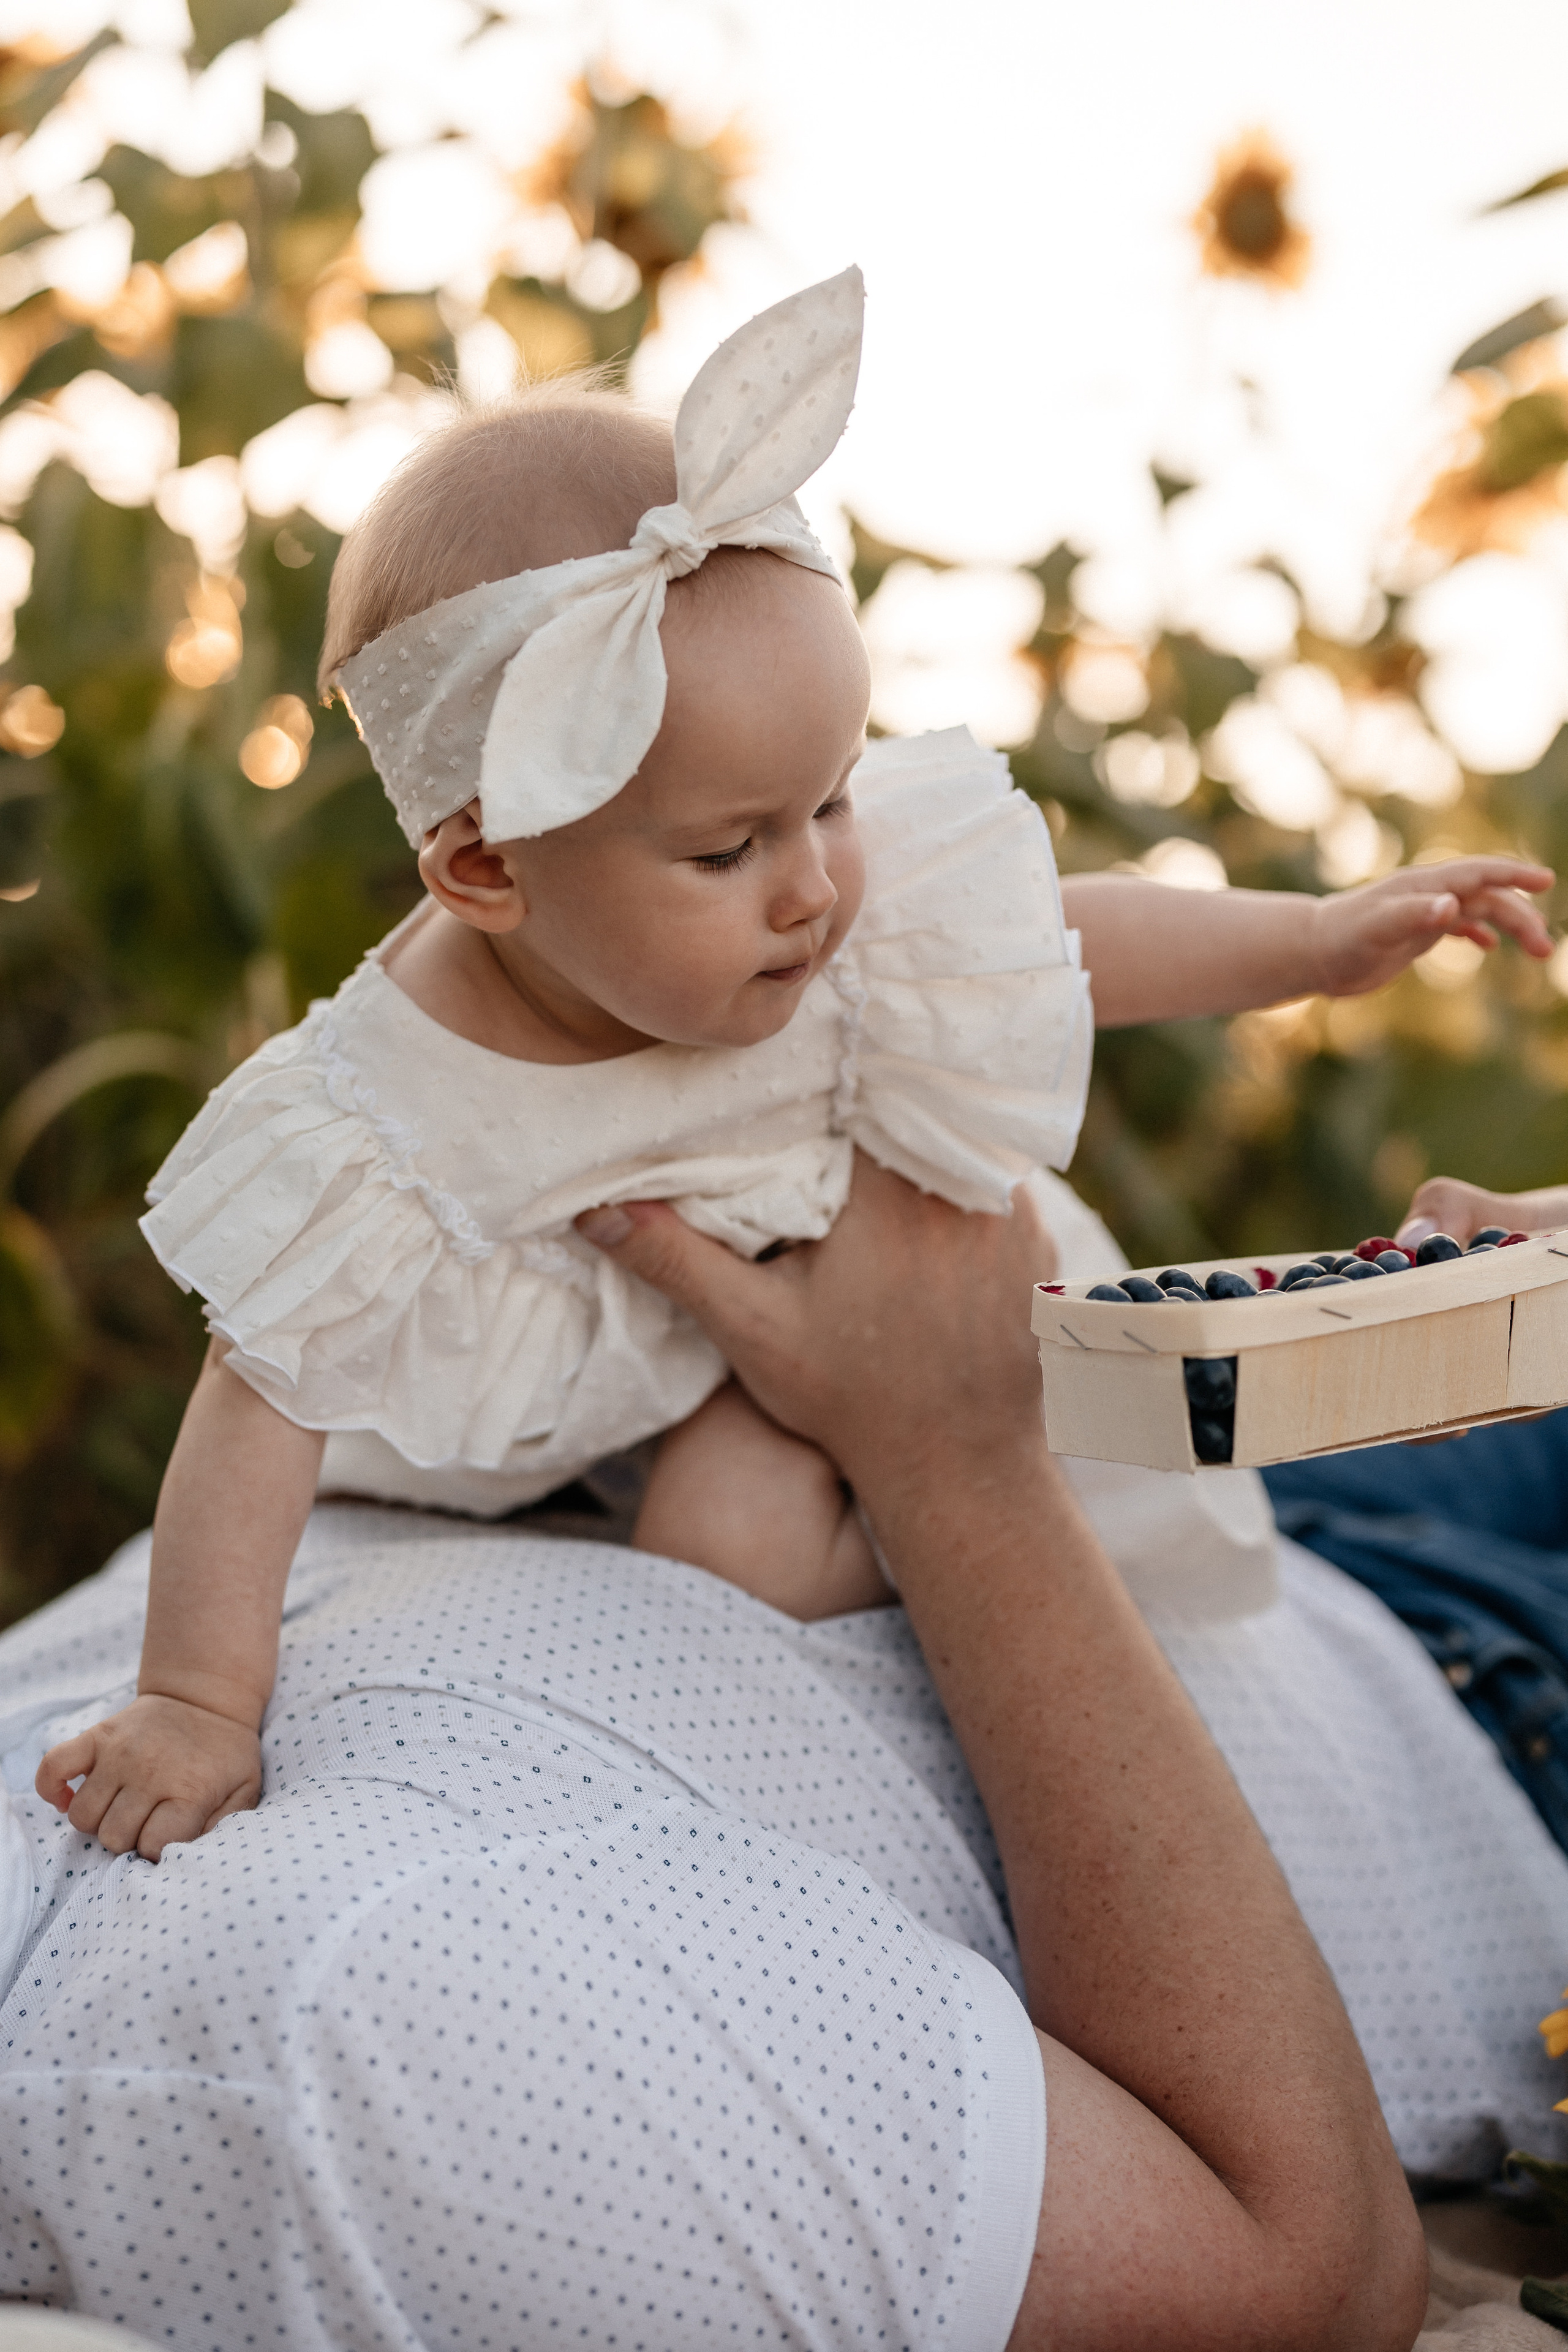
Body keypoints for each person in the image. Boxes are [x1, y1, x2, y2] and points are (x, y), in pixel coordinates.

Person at [33, 266, 1551, 1868]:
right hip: (665, 1409)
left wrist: (1314, 941)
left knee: (843, 1492)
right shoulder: (387, 1115)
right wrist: (198, 1700)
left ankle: (1010, 1504)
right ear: (485, 872)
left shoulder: (790, 887)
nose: (815, 885)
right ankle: (909, 1562)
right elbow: (257, 1398)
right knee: (724, 1546)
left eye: (830, 799)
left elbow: (1062, 934)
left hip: (916, 1332)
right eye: (728, 849)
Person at [0, 1161, 1428, 2351]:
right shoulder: (372, 2070)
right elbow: (1304, 2287)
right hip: (1406, 1667)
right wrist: (944, 1444)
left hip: (1182, 1523)